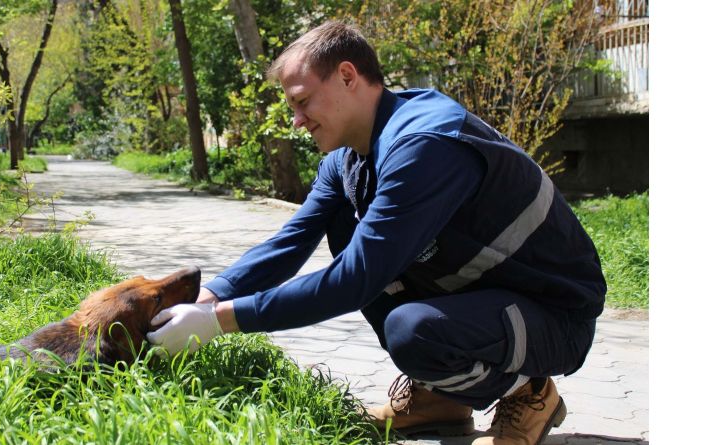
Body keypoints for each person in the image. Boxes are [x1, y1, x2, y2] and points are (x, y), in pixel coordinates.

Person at [147, 20, 606, 445]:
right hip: (488, 300)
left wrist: (219, 322)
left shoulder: (424, 145)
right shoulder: (348, 161)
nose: (297, 121)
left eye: (302, 101)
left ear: (348, 76)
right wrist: (209, 297)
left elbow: (354, 281)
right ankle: (440, 398)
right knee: (346, 226)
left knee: (413, 330)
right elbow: (289, 243)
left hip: (555, 315)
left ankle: (530, 392)